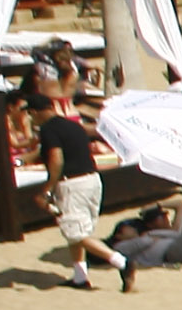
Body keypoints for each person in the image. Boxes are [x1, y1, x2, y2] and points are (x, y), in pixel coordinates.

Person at [31, 89, 123, 290]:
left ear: (36, 112)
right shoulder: (74, 126)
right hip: (92, 180)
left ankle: (120, 262)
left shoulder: (49, 130)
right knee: (78, 230)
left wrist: (46, 190)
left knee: (75, 233)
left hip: (72, 184)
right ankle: (80, 276)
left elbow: (56, 160)